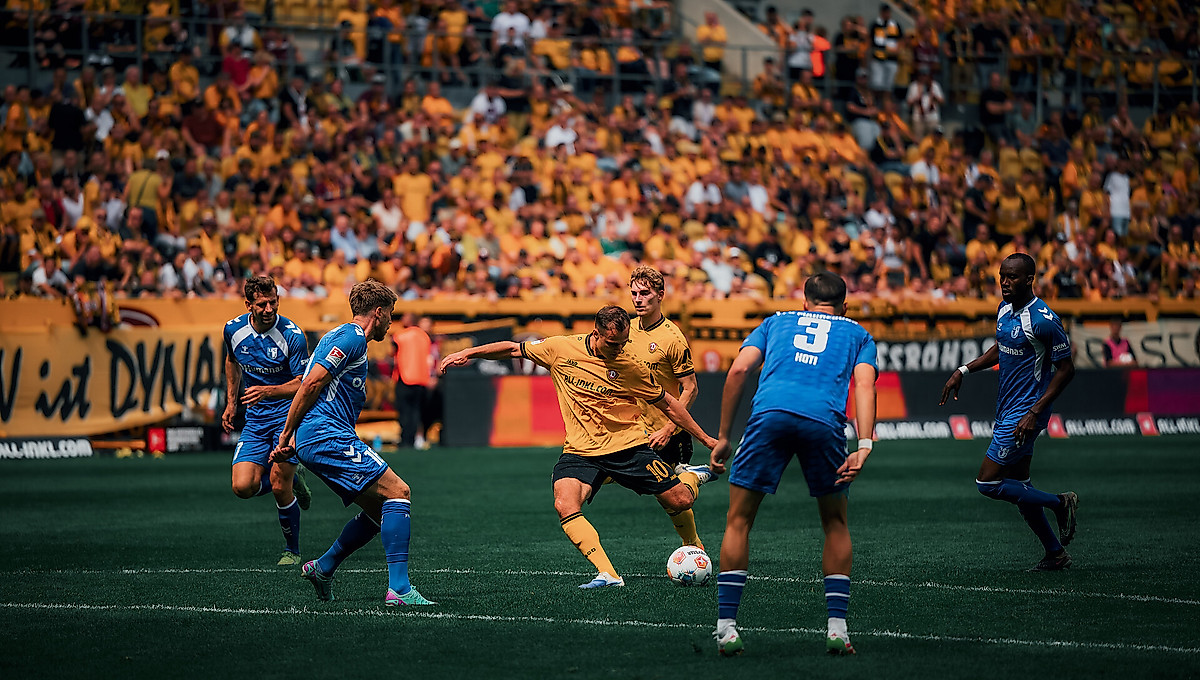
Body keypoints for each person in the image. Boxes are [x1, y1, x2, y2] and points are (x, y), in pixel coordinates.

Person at [438, 305, 720, 589]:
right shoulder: (561, 348)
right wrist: (468, 353)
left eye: (623, 343)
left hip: (628, 446)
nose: (618, 349)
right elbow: (513, 349)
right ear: (596, 333)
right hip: (580, 451)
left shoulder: (630, 365)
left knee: (681, 500)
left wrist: (706, 439)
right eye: (613, 344)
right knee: (565, 503)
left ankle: (692, 476)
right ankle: (609, 574)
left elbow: (669, 405)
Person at [709, 272, 878, 657]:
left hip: (770, 414)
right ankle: (837, 629)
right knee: (835, 522)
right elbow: (864, 385)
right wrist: (865, 445)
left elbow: (738, 371)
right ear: (844, 306)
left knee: (739, 520)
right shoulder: (857, 333)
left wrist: (723, 436)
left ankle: (726, 629)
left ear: (805, 302)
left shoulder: (775, 322)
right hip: (824, 420)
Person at [272, 280, 435, 607]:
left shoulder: (336, 335)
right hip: (324, 433)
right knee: (398, 492)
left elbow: (308, 381)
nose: (391, 322)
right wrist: (287, 434)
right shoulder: (353, 337)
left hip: (322, 434)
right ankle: (399, 590)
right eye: (390, 314)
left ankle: (324, 567)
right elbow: (312, 383)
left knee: (379, 509)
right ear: (378, 312)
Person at [939, 253, 1079, 573]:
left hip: (1026, 413)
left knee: (987, 483)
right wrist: (964, 369)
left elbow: (1066, 369)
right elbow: (1000, 346)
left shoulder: (1044, 319)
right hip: (1007, 409)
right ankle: (1055, 553)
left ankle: (1060, 502)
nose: (1004, 283)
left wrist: (1035, 411)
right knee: (1020, 488)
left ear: (1029, 279)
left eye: (1012, 277)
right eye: (1002, 276)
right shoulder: (1004, 308)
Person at [222, 275, 313, 566]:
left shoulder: (293, 335)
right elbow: (231, 361)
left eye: (273, 301)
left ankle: (292, 550)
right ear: (248, 304)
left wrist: (268, 391)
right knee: (242, 487)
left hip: (288, 418)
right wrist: (231, 402)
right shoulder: (233, 330)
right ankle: (295, 478)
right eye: (261, 304)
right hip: (256, 420)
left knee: (277, 484)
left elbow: (304, 383)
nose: (269, 308)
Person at [627, 265, 708, 549]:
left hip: (666, 434)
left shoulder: (672, 338)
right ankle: (694, 545)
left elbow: (691, 388)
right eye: (634, 293)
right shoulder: (626, 329)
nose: (638, 299)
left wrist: (668, 427)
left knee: (671, 498)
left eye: (645, 293)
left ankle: (693, 544)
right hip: (633, 429)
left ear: (660, 295)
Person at [392, 313, 434, 449]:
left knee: (404, 412)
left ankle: (405, 441)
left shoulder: (401, 335)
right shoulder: (424, 336)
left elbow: (392, 350)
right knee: (416, 412)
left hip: (405, 377)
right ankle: (413, 439)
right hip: (421, 379)